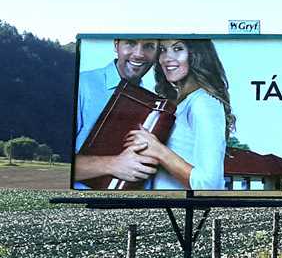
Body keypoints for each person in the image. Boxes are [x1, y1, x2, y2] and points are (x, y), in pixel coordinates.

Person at [124, 39, 234, 190]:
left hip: (186, 209)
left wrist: (158, 151)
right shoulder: (179, 103)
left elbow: (209, 185)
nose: (167, 58)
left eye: (178, 49)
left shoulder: (203, 103)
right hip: (168, 208)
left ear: (196, 55)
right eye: (162, 50)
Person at [73, 38, 162, 188]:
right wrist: (113, 164)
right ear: (116, 45)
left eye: (149, 46)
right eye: (131, 43)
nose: (139, 54)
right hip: (82, 204)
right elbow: (59, 162)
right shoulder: (81, 84)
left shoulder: (154, 102)